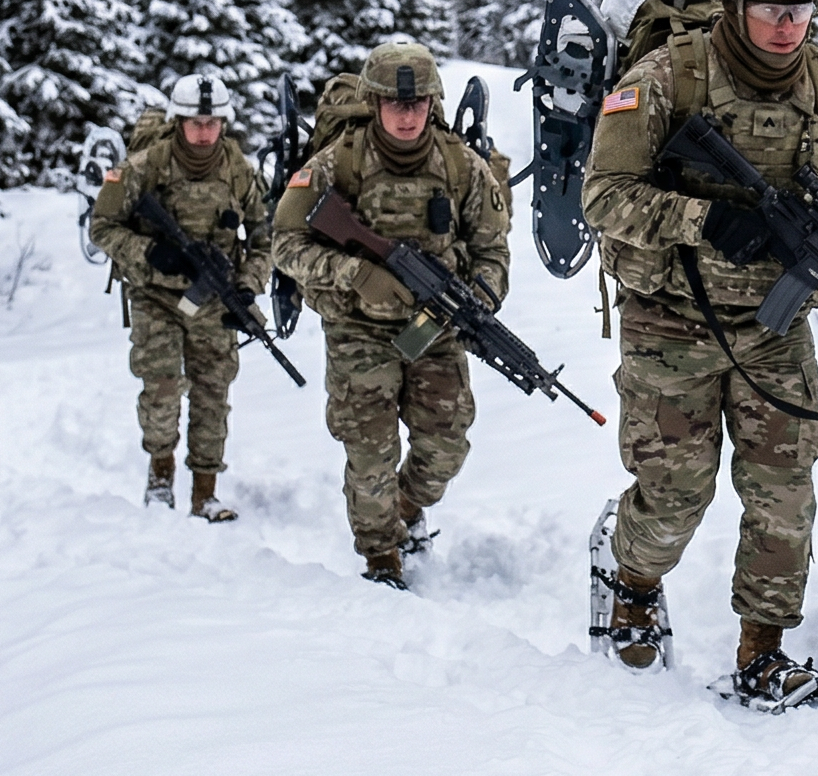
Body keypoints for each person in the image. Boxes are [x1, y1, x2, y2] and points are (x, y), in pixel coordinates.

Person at [581, 0, 818, 705]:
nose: (788, 25)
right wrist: (702, 220)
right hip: (669, 321)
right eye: (770, 8)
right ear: (730, 0)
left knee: (785, 491)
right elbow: (604, 196)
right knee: (675, 493)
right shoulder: (661, 80)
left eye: (803, 9)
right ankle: (633, 579)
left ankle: (763, 648)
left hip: (775, 331)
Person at [271, 42, 511, 588]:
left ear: (432, 104)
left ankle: (405, 508)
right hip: (358, 329)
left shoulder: (461, 166)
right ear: (375, 103)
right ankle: (381, 557)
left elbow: (494, 250)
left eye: (419, 104)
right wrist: (356, 274)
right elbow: (285, 245)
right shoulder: (337, 164)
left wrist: (479, 297)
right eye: (396, 105)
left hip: (434, 327)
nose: (408, 116)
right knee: (370, 450)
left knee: (446, 446)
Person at [89, 69, 273, 521]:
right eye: (196, 123)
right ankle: (160, 474)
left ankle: (204, 492)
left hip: (214, 298)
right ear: (178, 121)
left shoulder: (239, 170)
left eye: (213, 124)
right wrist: (149, 252)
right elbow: (102, 227)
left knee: (213, 394)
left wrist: (248, 285)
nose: (205, 132)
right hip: (155, 297)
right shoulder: (142, 168)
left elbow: (266, 238)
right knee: (163, 387)